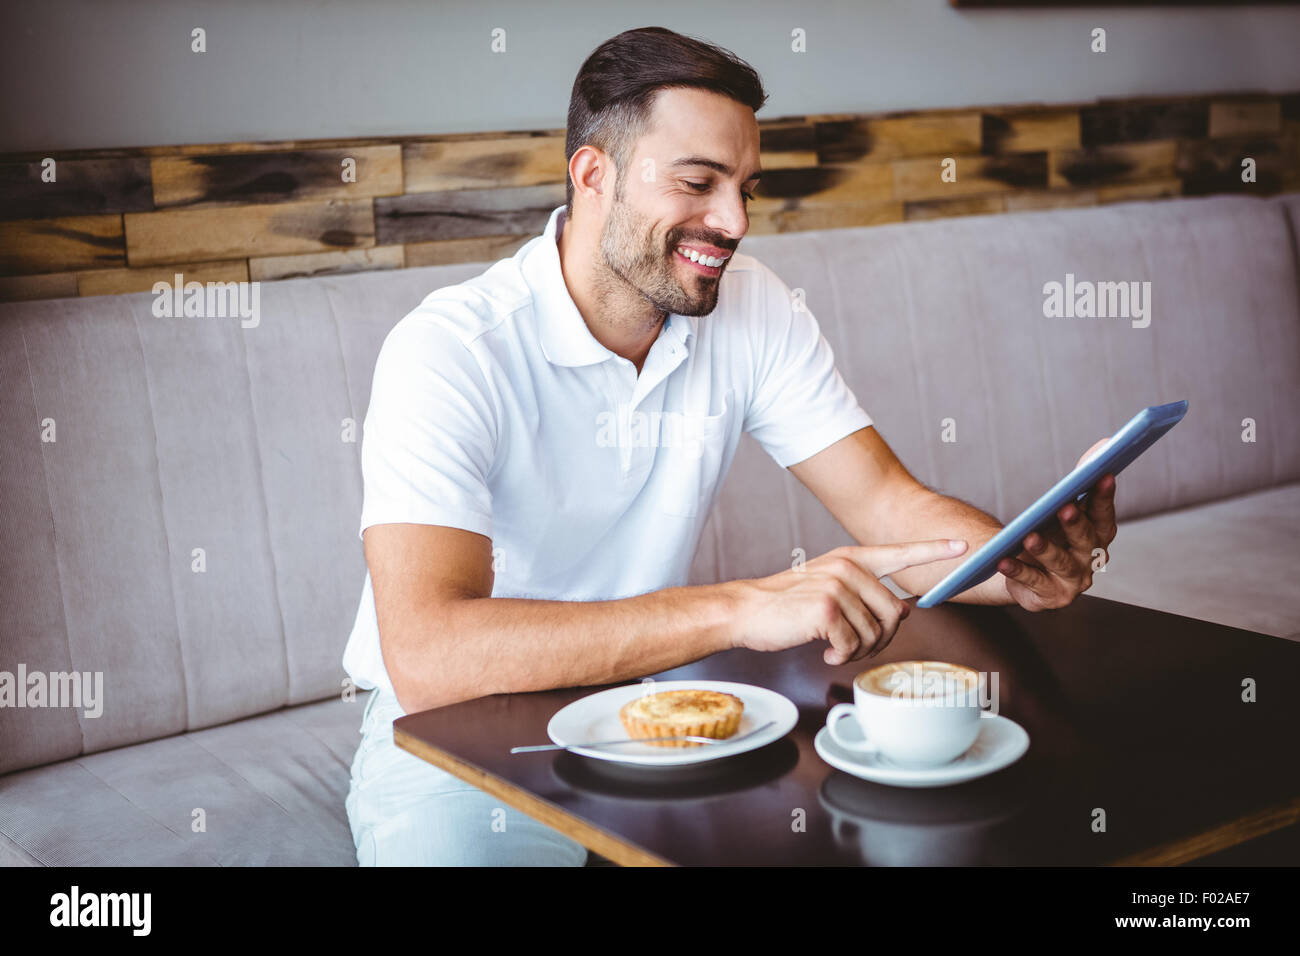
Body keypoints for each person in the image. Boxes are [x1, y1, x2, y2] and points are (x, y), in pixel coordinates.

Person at [343, 26, 1118, 866]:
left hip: (665, 725)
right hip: (452, 750)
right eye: (697, 183)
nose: (734, 221)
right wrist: (744, 606)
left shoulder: (754, 306)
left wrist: (1020, 563)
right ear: (592, 174)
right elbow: (428, 655)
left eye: (747, 186)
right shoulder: (452, 352)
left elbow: (889, 506)